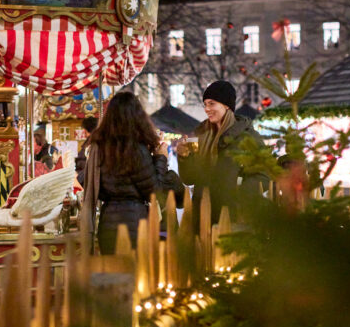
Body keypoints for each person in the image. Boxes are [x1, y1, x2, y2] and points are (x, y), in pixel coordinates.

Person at [81, 91, 168, 254]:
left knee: (113, 275)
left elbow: (95, 187)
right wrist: (161, 158)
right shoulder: (137, 150)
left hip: (107, 224)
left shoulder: (99, 148)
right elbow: (154, 191)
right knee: (135, 276)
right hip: (136, 224)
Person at [176, 80, 268, 226]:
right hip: (202, 217)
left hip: (233, 218)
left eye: (212, 103)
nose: (206, 109)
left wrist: (239, 192)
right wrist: (184, 157)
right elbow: (189, 179)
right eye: (205, 104)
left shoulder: (246, 136)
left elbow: (264, 173)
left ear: (226, 105)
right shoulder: (199, 134)